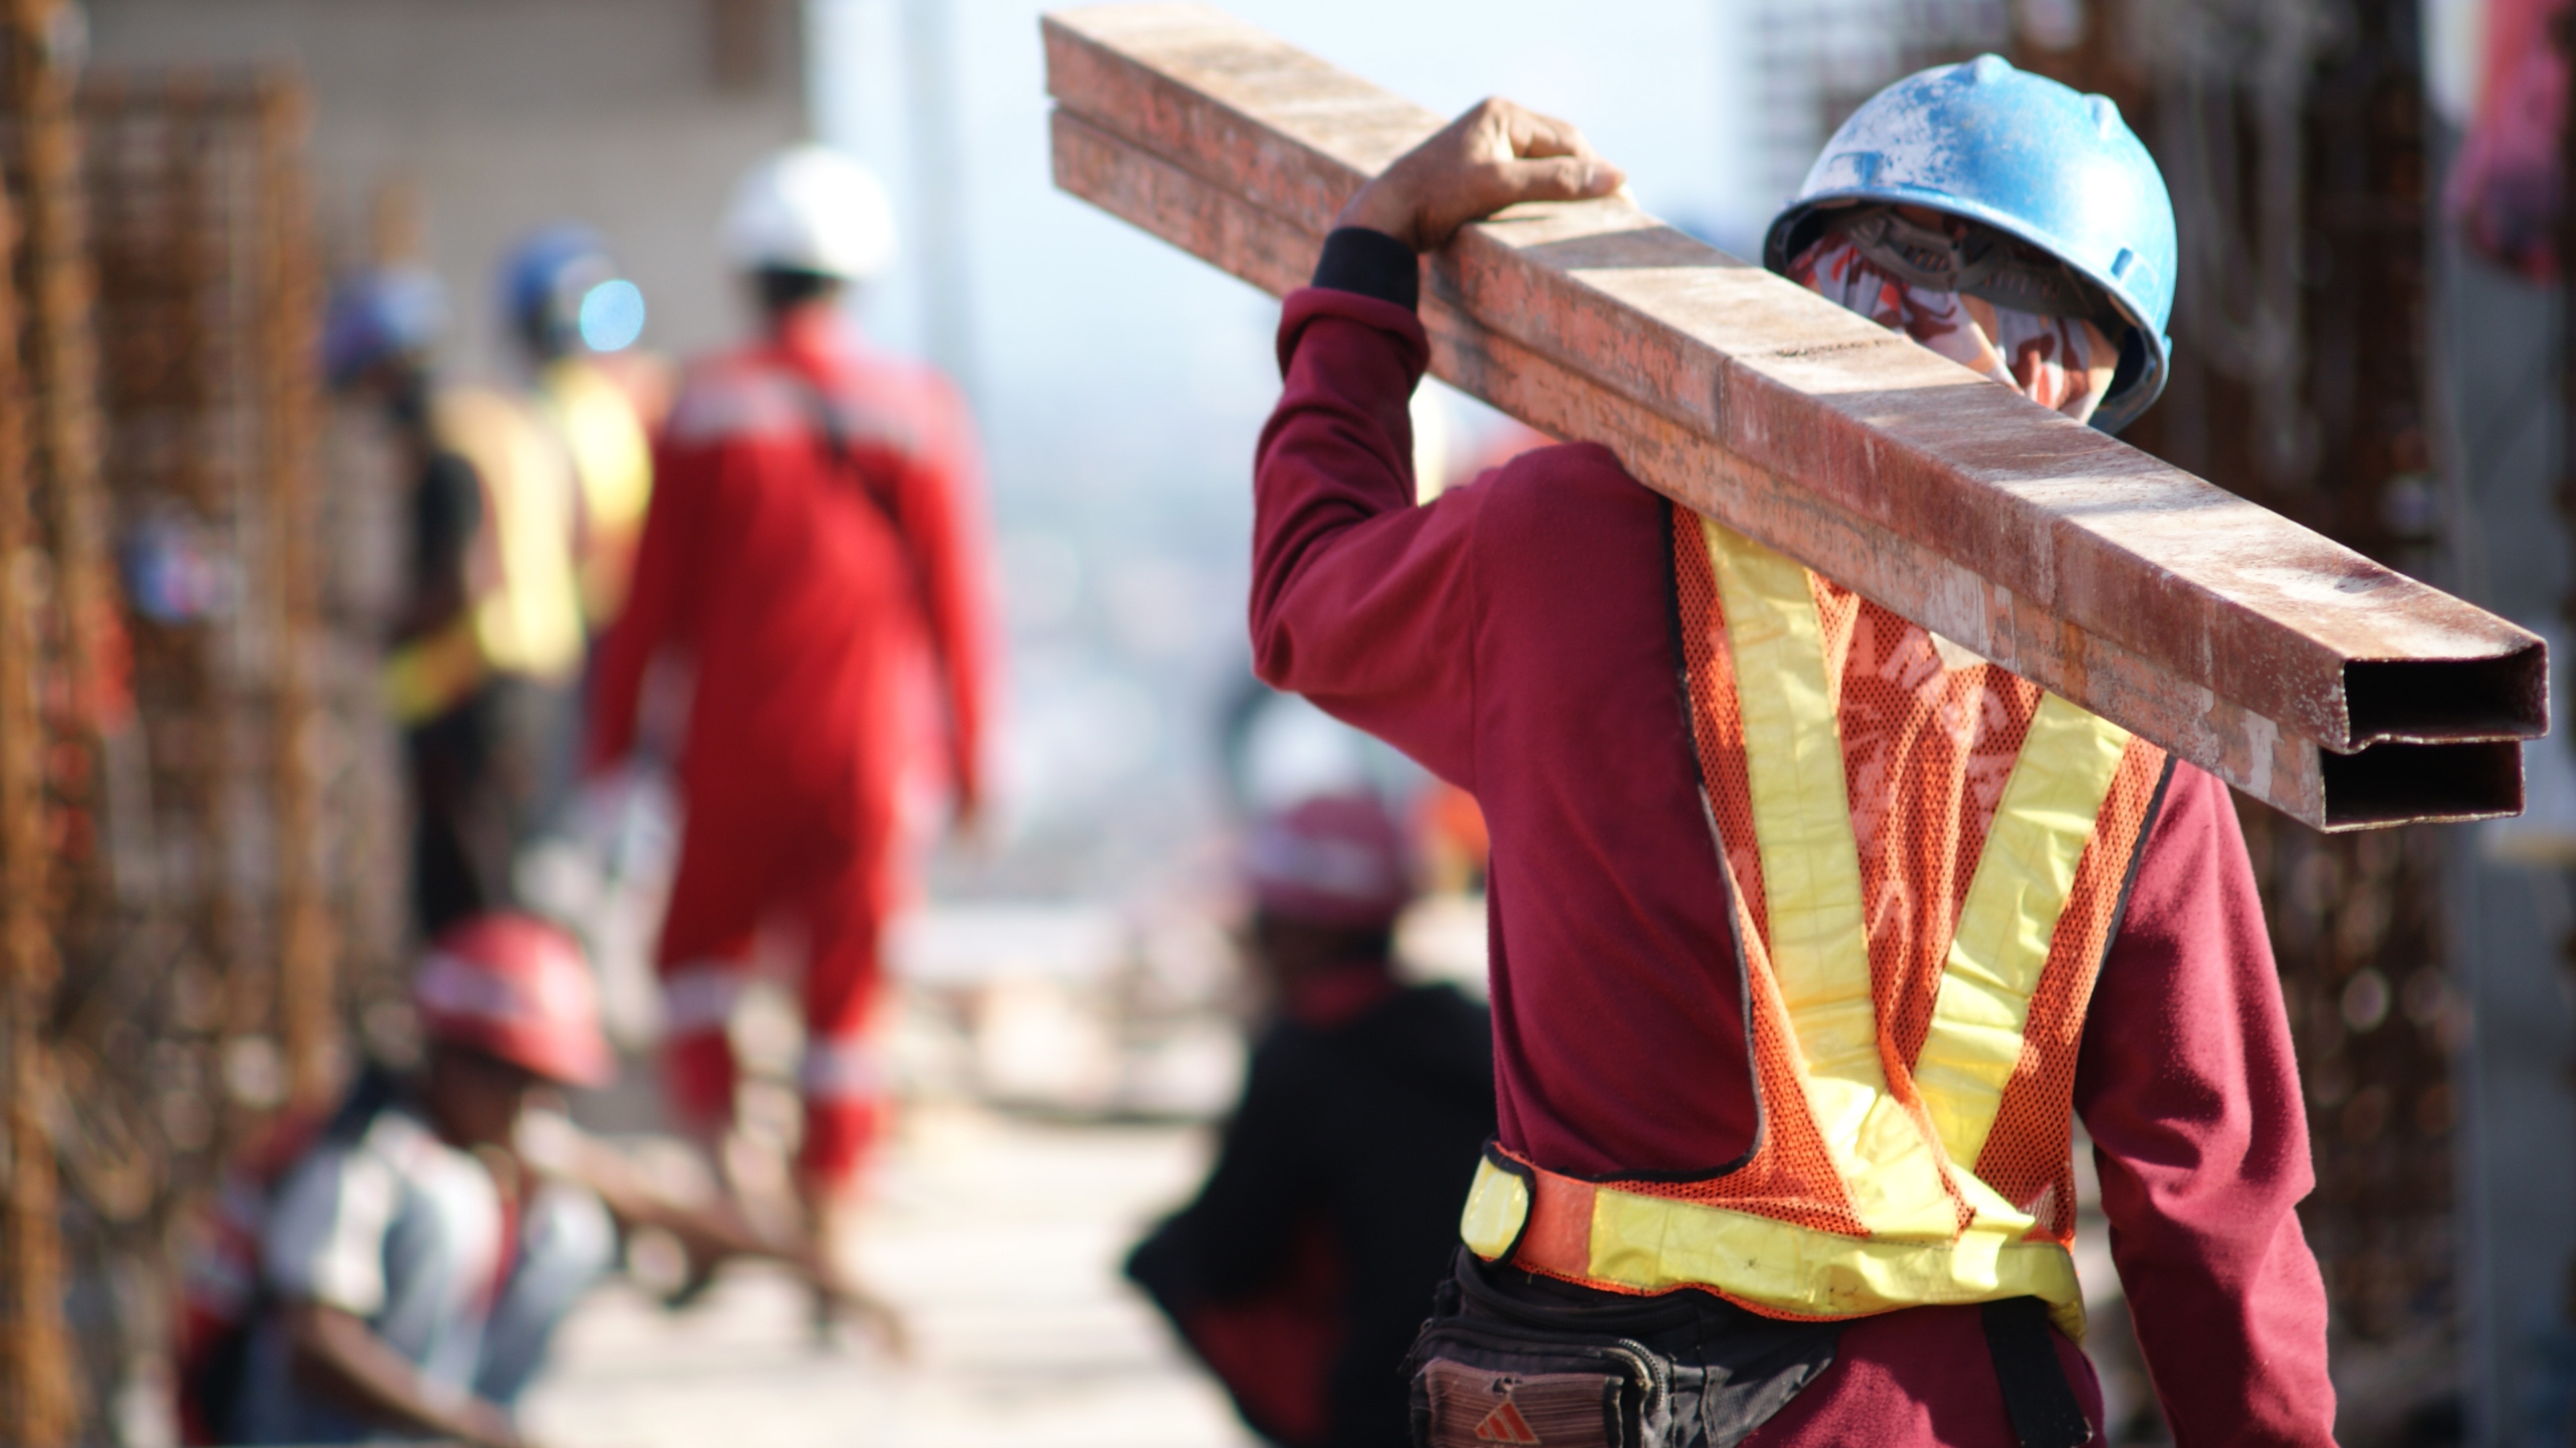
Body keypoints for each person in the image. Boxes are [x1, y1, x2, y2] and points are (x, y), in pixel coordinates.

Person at [1244, 57, 2333, 1447]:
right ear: (2095, 383)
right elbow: (2210, 1216)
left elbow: (1303, 589)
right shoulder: (2138, 713)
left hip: (1599, 1393)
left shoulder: (1559, 541)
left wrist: (1375, 247)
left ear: (1803, 294)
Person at [584, 144, 997, 1286]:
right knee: (845, 995)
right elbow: (960, 601)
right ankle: (828, 1215)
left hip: (728, 752)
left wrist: (610, 752)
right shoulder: (919, 411)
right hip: (872, 757)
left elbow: (645, 605)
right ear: (855, 276)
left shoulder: (700, 410)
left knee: (695, 960)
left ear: (746, 270)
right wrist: (973, 762)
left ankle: (723, 1165)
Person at [177, 913, 876, 1447]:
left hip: (417, 1415)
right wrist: (472, 1429)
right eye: (521, 1084)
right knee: (454, 1209)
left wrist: (808, 1265)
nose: (535, 1108)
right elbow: (315, 1346)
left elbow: (644, 1201)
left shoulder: (483, 1131)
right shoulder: (361, 1157)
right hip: (268, 1426)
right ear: (455, 1058)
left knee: (571, 1226)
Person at [1128, 793, 1495, 1448]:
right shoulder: (1473, 1033)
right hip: (1513, 1384)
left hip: (1376, 1406)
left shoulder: (1304, 1057)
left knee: (1164, 1258)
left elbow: (1224, 1258)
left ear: (1298, 930)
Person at [329, 268, 589, 937]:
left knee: (467, 879)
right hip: (527, 670)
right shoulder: (495, 417)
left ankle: (483, 1020)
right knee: (503, 859)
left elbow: (457, 581)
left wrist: (374, 622)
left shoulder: (444, 444)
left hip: (471, 686)